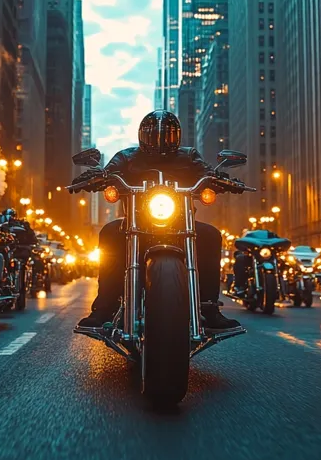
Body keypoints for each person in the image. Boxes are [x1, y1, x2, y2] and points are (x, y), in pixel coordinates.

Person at [74, 110, 240, 333]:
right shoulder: (126, 157)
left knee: (210, 235)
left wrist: (219, 178)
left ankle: (208, 308)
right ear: (142, 135)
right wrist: (96, 175)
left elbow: (206, 172)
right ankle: (104, 308)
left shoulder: (189, 156)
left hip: (181, 223)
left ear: (177, 136)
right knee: (110, 232)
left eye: (168, 134)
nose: (160, 139)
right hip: (134, 223)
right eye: (153, 134)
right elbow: (109, 171)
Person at [231, 229, 282, 297]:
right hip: (253, 257)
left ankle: (283, 288)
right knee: (240, 259)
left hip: (268, 257)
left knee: (283, 263)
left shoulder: (271, 236)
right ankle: (240, 287)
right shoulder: (249, 236)